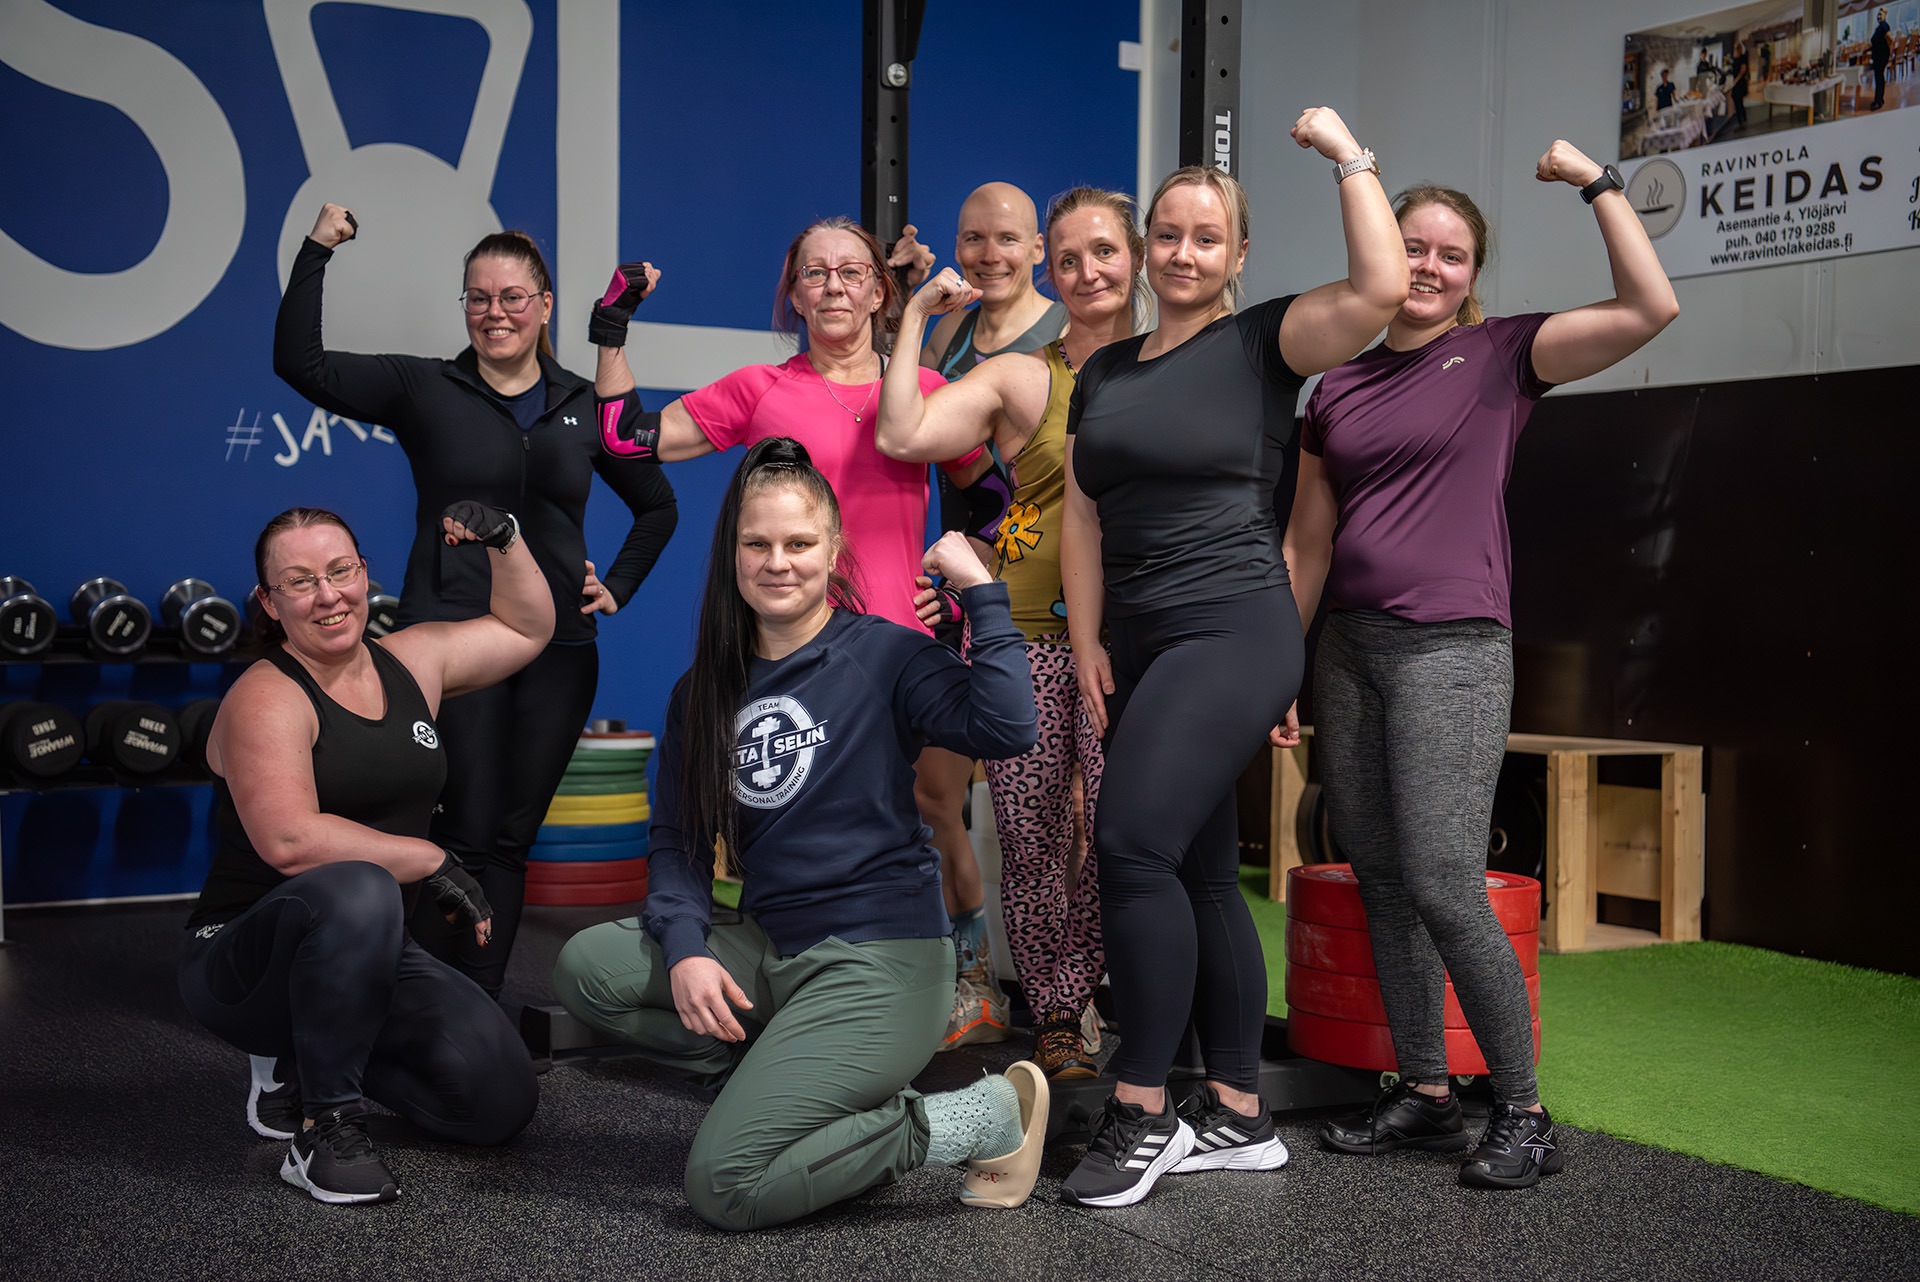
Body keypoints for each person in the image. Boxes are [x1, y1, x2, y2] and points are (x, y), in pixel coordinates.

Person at [1285, 142, 1678, 1190]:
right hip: (1351, 650)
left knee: (1445, 883)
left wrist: (1597, 184)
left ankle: (1525, 1112)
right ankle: (1424, 1092)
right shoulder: (1336, 385)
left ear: (1472, 275)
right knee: (1381, 879)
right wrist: (1285, 663)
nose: (1426, 266)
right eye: (1411, 246)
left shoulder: (1504, 354)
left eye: (1449, 255)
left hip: (1453, 648)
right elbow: (1307, 544)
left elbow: (1651, 308)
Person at [551, 438, 1047, 1230]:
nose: (777, 562)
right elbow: (679, 844)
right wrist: (684, 950)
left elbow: (1009, 727)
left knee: (726, 1186)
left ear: (833, 547)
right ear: (733, 552)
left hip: (880, 960)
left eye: (799, 543)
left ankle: (977, 1117)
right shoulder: (703, 691)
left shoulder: (887, 654)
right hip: (769, 946)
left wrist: (984, 595)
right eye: (757, 544)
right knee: (587, 968)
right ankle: (794, 1092)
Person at [1055, 107, 1409, 1208]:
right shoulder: (1106, 371)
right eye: (1167, 234)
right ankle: (1241, 1114)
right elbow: (1081, 515)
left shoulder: (1263, 343)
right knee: (1198, 871)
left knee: (1130, 844)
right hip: (1140, 641)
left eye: (1206, 236)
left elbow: (1382, 288)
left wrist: (1348, 157)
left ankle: (1143, 1108)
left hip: (1233, 626)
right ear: (1145, 246)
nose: (1183, 252)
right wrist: (1086, 640)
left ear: (1238, 252)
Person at [273, 206, 679, 999]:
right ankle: (418, 1004)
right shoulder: (427, 387)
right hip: (451, 646)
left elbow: (656, 505)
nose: (495, 313)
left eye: (513, 297)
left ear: (545, 305)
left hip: (559, 650)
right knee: (458, 830)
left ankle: (476, 1009)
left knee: (511, 840)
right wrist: (318, 248)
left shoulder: (583, 404)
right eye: (479, 298)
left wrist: (619, 583)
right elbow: (302, 365)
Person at [180, 502, 551, 1204]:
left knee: (497, 1102)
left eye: (341, 571)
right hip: (243, 961)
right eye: (300, 582)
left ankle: (317, 1049)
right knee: (362, 882)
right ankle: (323, 1126)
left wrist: (504, 537)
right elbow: (290, 839)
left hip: (369, 950)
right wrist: (430, 858)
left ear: (364, 574)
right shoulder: (266, 697)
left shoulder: (413, 661)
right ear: (269, 602)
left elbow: (525, 628)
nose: (328, 595)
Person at [876, 186, 1146, 1080]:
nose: (1086, 273)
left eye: (1100, 254)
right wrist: (915, 312)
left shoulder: (1170, 365)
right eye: (1069, 260)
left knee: (1112, 831)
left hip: (1131, 635)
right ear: (1050, 272)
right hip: (1027, 629)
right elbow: (902, 431)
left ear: (1135, 258)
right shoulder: (1021, 374)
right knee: (1029, 840)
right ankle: (1057, 1016)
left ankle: (1088, 988)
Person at [888, 182, 1069, 1050]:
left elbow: (1061, 487)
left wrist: (996, 558)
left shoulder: (1066, 335)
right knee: (935, 794)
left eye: (1007, 239)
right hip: (958, 585)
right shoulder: (953, 331)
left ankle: (1070, 998)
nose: (988, 254)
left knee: (1061, 817)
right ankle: (973, 979)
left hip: (1042, 594)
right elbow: (903, 417)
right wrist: (910, 297)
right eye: (973, 238)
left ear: (1038, 250)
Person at [1871, 10, 1891, 110]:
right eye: (1878, 15)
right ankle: (1879, 99)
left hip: (1881, 57)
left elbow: (1890, 39)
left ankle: (1878, 101)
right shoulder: (1880, 27)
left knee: (1879, 79)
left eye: (1880, 14)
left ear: (1885, 16)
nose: (1878, 16)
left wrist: (1888, 50)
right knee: (1879, 78)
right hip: (1879, 56)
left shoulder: (1883, 26)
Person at [1729, 41, 1751, 126]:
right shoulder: (1734, 58)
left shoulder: (1742, 58)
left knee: (1739, 100)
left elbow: (1742, 71)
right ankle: (1741, 117)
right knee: (1736, 99)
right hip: (1735, 81)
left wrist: (1735, 81)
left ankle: (1741, 118)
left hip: (1740, 82)